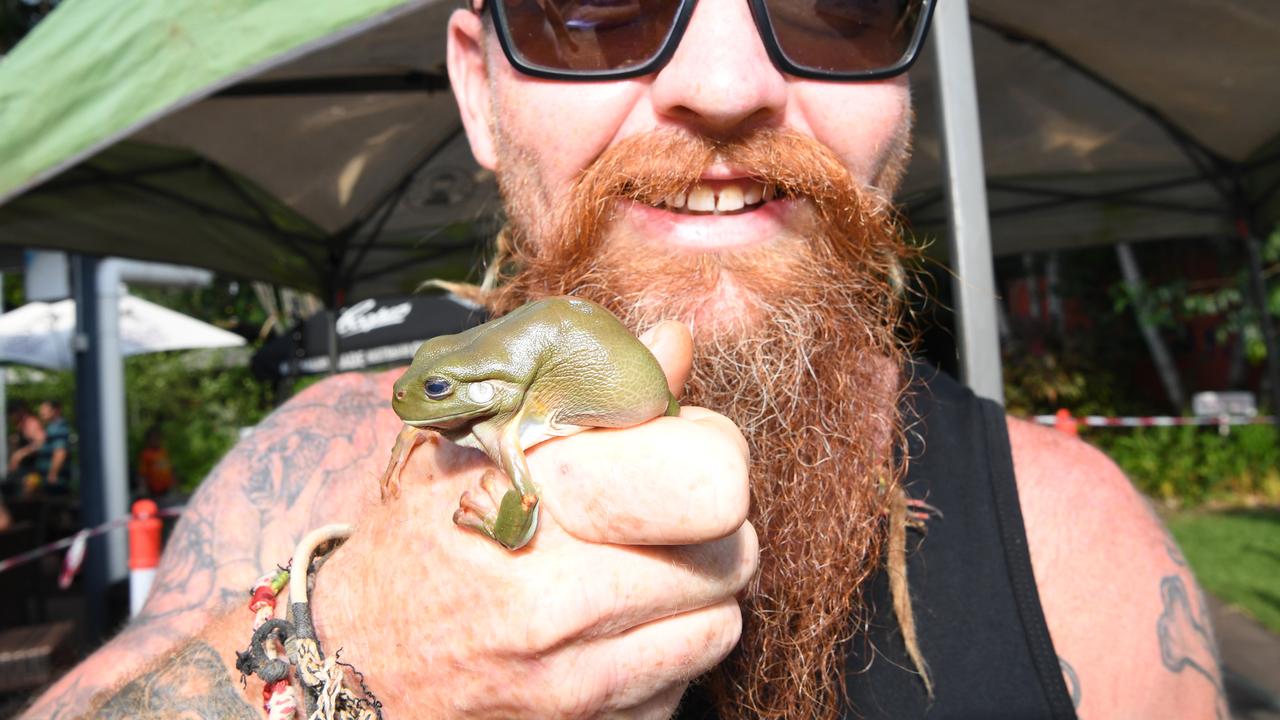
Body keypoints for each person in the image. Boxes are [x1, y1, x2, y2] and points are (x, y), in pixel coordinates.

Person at [23, 2, 1223, 718]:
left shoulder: (1079, 548)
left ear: (899, 83)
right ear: (479, 92)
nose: (723, 86)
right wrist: (354, 654)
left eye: (831, 3)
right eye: (593, 5)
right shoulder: (310, 465)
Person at [7, 401, 45, 495]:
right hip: (23, 471)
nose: (11, 417)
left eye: (12, 413)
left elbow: (40, 443)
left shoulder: (31, 423)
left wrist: (20, 454)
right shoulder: (21, 426)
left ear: (20, 411)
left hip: (33, 470)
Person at [34, 400, 70, 494]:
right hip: (47, 478)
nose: (41, 412)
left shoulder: (58, 428)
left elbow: (60, 452)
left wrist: (53, 473)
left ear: (55, 410)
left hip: (56, 480)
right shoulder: (51, 427)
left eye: (44, 409)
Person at [136, 427, 176, 498]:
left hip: (167, 489)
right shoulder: (146, 454)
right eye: (153, 438)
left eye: (157, 438)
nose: (156, 440)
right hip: (153, 491)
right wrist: (142, 488)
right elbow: (142, 473)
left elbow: (170, 469)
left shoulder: (164, 452)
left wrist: (174, 483)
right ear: (148, 440)